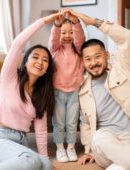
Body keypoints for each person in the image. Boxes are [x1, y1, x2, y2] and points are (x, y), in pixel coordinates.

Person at [69, 11, 130, 170]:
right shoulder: (82, 89)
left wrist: (94, 21)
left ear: (106, 55)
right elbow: (85, 124)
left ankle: (120, 166)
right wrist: (89, 150)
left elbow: (125, 38)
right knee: (99, 136)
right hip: (108, 144)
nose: (93, 63)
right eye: (88, 59)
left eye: (97, 57)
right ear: (83, 62)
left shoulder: (123, 68)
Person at [0, 12, 63, 170]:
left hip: (21, 141)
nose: (40, 62)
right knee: (31, 161)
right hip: (0, 139)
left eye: (45, 60)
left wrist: (46, 161)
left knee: (45, 165)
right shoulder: (10, 78)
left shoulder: (41, 94)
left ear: (47, 68)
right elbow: (17, 44)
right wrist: (44, 21)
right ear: (25, 61)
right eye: (35, 57)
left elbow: (41, 132)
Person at [48, 9, 85, 163]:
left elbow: (80, 38)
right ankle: (60, 148)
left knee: (71, 122)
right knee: (59, 123)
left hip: (74, 92)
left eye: (70, 33)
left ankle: (70, 147)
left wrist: (75, 22)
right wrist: (57, 23)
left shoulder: (79, 50)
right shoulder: (54, 50)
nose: (67, 36)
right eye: (64, 33)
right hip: (57, 91)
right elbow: (53, 39)